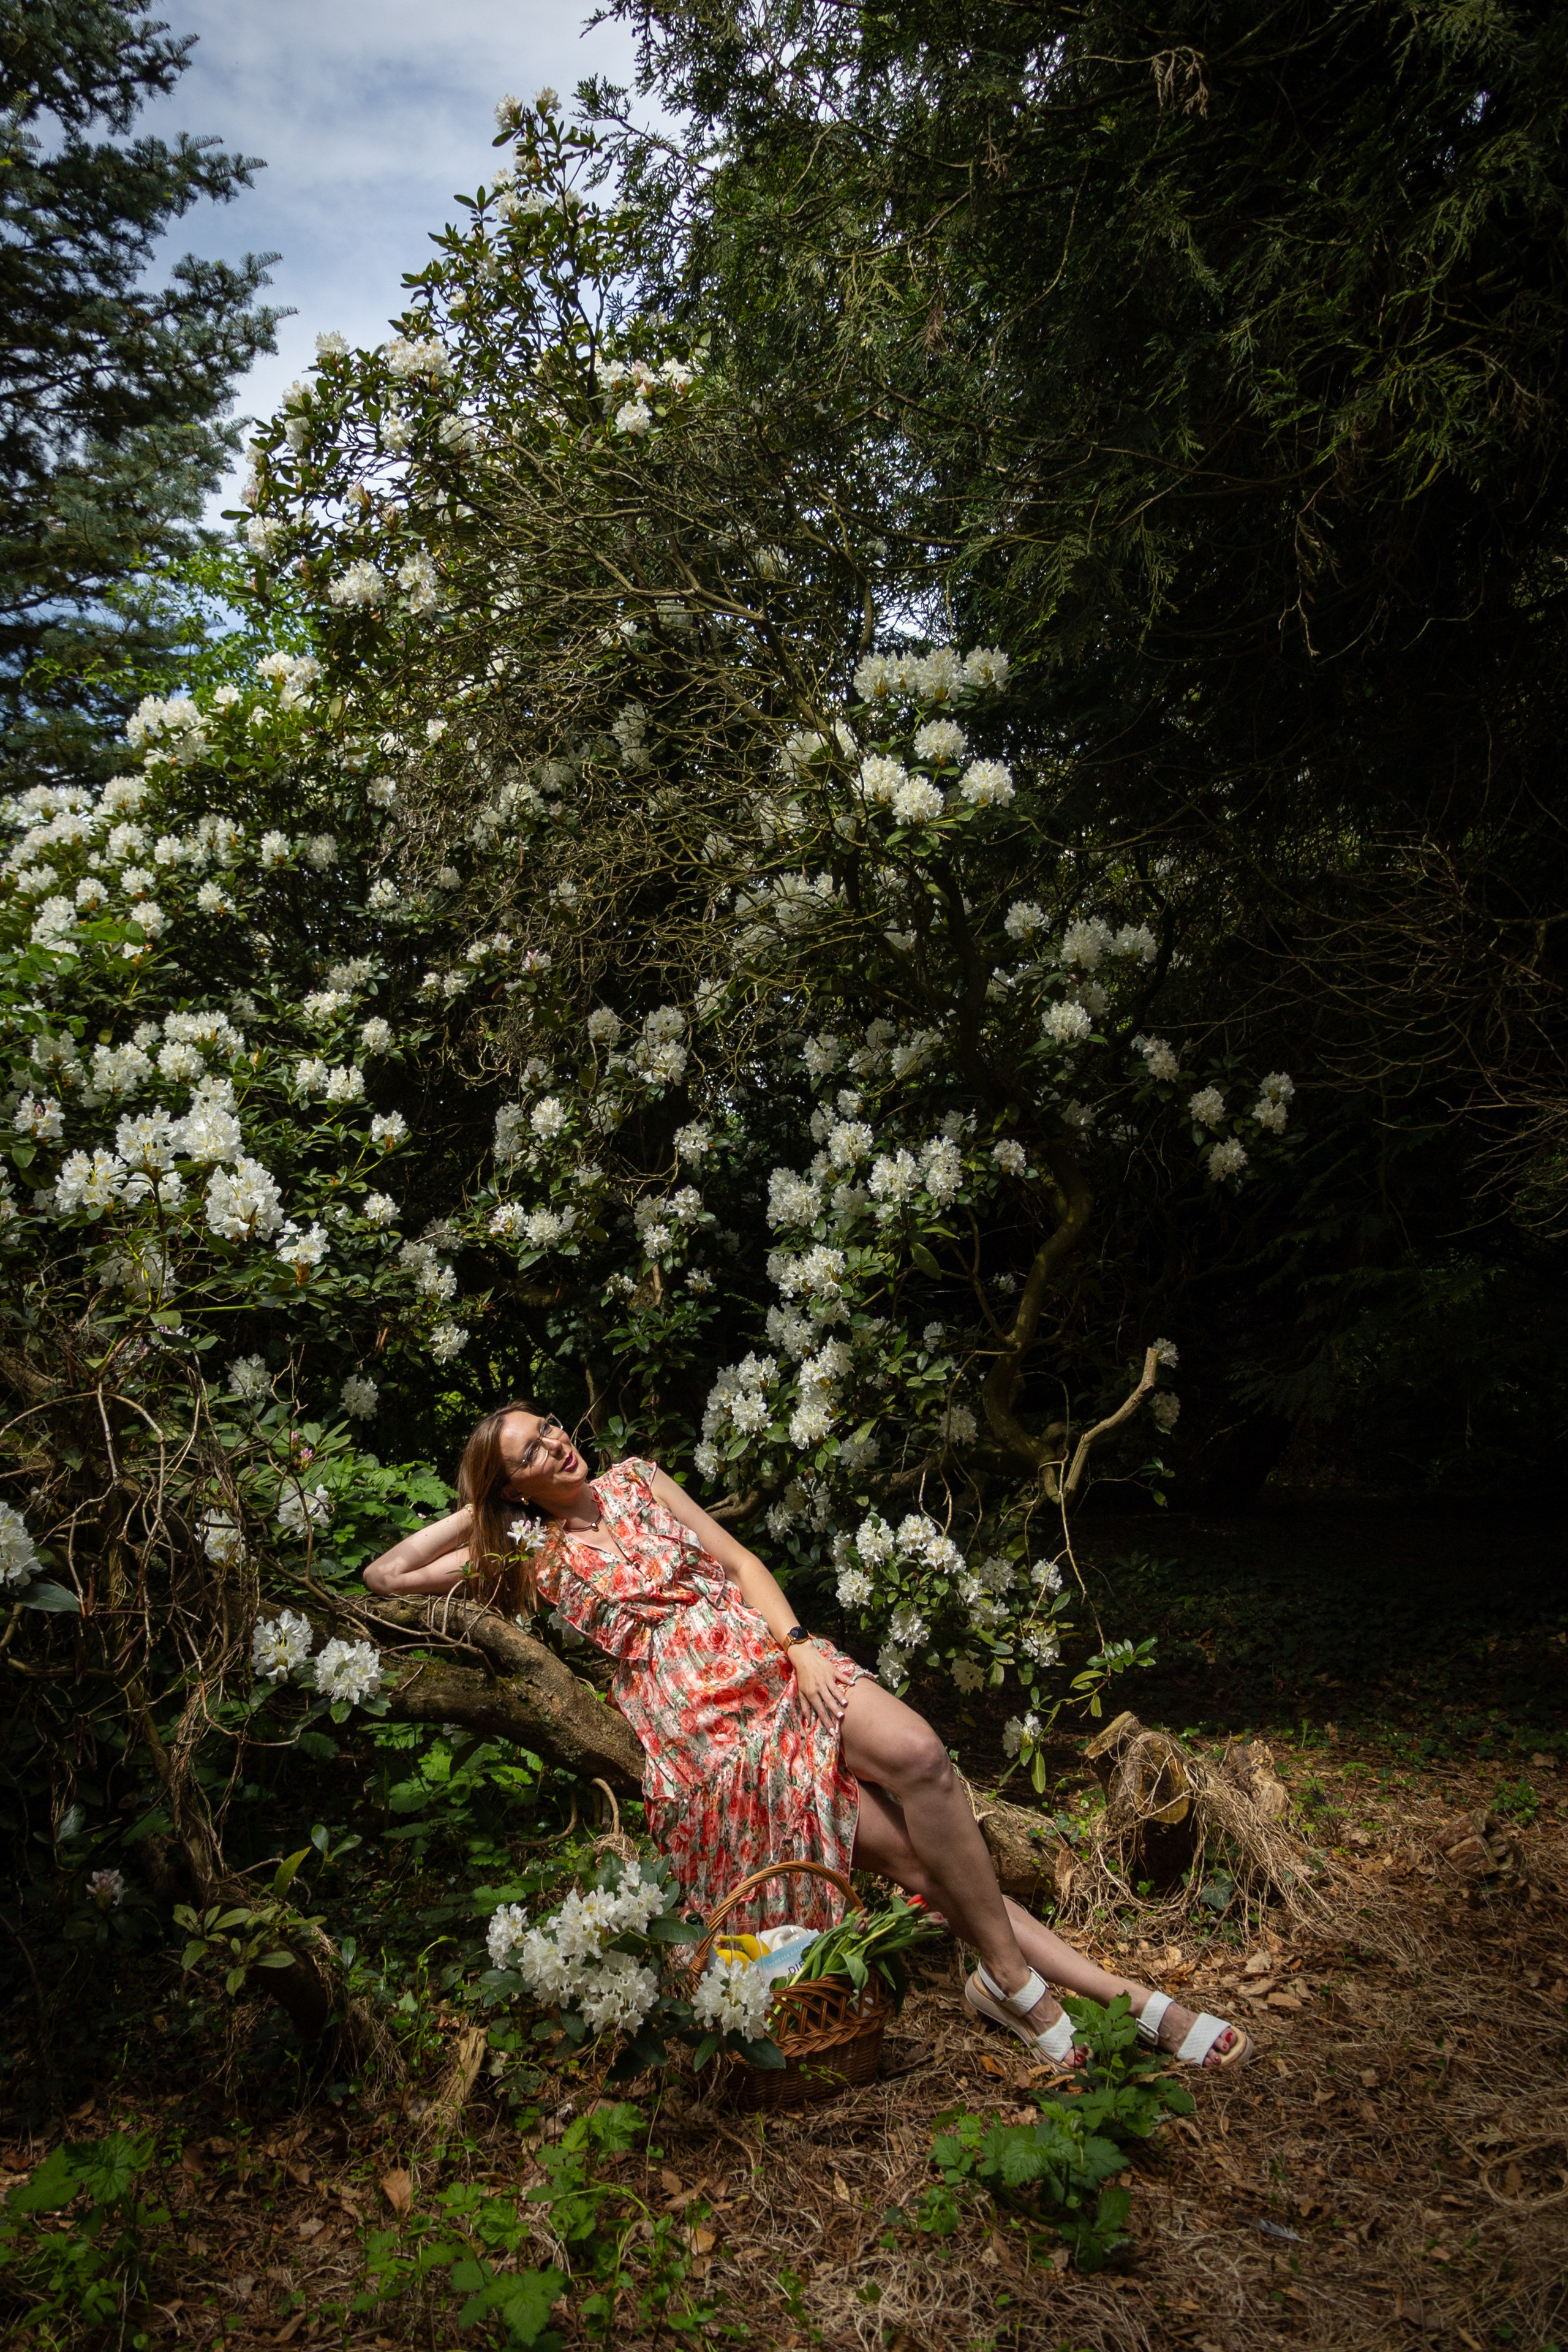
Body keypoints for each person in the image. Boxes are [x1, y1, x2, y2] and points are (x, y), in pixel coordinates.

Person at [362, 1405, 1249, 2070]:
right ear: (514, 1487)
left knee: (925, 1758)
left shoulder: (637, 1477)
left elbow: (742, 1563)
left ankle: (1011, 1984)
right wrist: (486, 1505)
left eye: (551, 1428)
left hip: (770, 1659)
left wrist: (798, 1649)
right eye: (533, 1452)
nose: (558, 1443)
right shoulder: (526, 1553)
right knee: (911, 1865)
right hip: (705, 1734)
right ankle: (1121, 2002)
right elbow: (386, 1573)